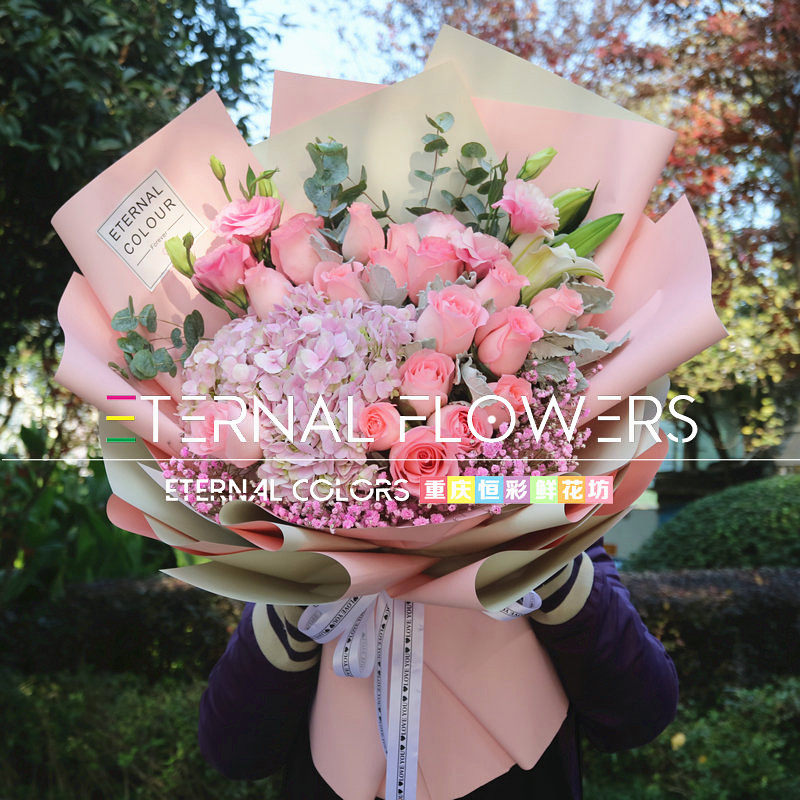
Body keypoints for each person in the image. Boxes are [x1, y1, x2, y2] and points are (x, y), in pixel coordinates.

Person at [198, 539, 679, 799]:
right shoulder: (297, 559)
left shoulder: (552, 540)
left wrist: (536, 552)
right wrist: (299, 584)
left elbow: (638, 713)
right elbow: (235, 751)